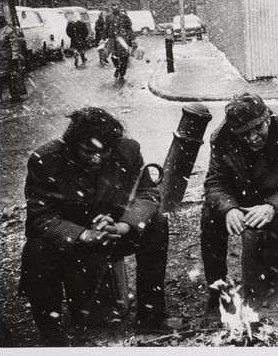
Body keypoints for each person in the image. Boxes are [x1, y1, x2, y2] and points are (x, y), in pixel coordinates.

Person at [19, 107, 177, 346]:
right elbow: (41, 216)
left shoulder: (128, 150)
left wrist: (126, 225)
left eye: (104, 152)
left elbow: (147, 193)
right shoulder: (46, 160)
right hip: (71, 240)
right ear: (72, 144)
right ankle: (53, 335)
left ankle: (151, 314)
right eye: (89, 151)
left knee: (156, 224)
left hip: (113, 231)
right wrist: (82, 234)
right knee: (36, 251)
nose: (97, 159)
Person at [200, 93, 278, 322]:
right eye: (244, 134)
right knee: (210, 218)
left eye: (257, 128)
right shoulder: (222, 138)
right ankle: (217, 292)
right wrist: (229, 209)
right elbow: (215, 182)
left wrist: (272, 207)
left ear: (267, 117)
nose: (252, 138)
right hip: (243, 197)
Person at [0, 15, 27, 102]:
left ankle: (15, 95)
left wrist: (14, 56)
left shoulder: (8, 30)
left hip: (8, 58)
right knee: (0, 78)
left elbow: (14, 45)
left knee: (11, 77)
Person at [104, 3, 134, 81]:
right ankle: (118, 68)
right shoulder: (108, 17)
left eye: (116, 6)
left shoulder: (124, 17)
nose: (114, 7)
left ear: (118, 6)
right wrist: (103, 38)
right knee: (114, 58)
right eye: (113, 6)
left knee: (124, 59)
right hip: (114, 41)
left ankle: (122, 74)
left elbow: (129, 29)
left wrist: (131, 39)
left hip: (124, 41)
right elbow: (106, 28)